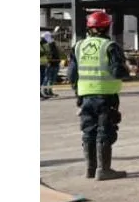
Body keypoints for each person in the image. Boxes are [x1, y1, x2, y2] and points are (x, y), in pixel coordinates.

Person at [68, 11, 130, 180]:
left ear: (89, 27)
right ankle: (103, 170)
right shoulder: (110, 46)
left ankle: (90, 169)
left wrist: (78, 95)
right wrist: (128, 71)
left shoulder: (78, 46)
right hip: (105, 96)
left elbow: (72, 74)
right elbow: (118, 70)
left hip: (85, 96)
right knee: (104, 131)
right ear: (107, 27)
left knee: (88, 131)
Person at [42, 32, 61, 98]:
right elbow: (48, 54)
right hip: (50, 64)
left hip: (55, 63)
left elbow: (57, 53)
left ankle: (49, 91)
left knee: (52, 79)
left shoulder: (52, 44)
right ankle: (45, 91)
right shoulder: (46, 44)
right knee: (48, 78)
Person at [40, 35, 50, 100]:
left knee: (42, 79)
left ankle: (40, 93)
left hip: (43, 64)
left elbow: (47, 52)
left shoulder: (43, 45)